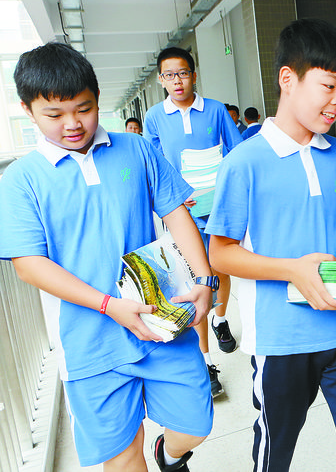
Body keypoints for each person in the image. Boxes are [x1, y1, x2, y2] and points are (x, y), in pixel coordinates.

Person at [0, 42, 213, 472]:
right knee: (122, 458)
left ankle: (169, 456)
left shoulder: (136, 149)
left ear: (97, 98)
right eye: (54, 115)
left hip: (160, 321)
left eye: (83, 108)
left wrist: (205, 281)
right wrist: (108, 305)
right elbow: (28, 265)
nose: (72, 124)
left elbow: (176, 212)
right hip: (91, 342)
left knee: (196, 426)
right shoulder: (21, 180)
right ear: (28, 111)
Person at [205, 18, 336, 472]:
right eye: (329, 86)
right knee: (275, 454)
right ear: (288, 79)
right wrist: (293, 269)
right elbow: (220, 253)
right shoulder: (244, 162)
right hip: (281, 339)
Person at [143, 47, 242, 398]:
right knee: (197, 280)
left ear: (194, 75)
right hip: (182, 213)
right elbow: (153, 164)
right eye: (170, 75)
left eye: (183, 73)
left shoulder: (215, 110)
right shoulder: (155, 117)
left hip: (219, 208)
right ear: (161, 79)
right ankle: (205, 362)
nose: (177, 81)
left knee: (221, 269)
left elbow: (237, 153)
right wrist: (173, 195)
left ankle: (220, 319)